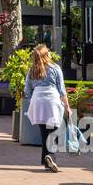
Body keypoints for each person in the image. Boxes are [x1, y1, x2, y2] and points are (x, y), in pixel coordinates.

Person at [24, 44, 71, 173]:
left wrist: (33, 100)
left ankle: (47, 161)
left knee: (44, 132)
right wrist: (67, 107)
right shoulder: (55, 68)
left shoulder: (32, 70)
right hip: (52, 101)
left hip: (38, 101)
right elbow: (62, 90)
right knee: (54, 132)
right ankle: (51, 157)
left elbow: (27, 90)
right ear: (46, 55)